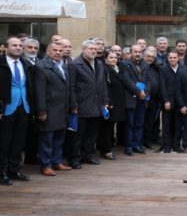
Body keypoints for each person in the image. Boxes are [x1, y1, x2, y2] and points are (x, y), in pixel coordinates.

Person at [68, 39, 110, 168]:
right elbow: (71, 87)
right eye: (90, 49)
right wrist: (73, 105)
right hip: (81, 105)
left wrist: (105, 102)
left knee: (92, 134)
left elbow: (102, 84)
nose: (93, 51)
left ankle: (87, 155)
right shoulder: (75, 64)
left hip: (97, 105)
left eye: (95, 49)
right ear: (83, 49)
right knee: (77, 135)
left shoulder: (99, 64)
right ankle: (74, 158)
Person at [33, 41, 72, 176]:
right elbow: (39, 91)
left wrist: (71, 106)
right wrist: (41, 110)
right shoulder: (41, 67)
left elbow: (68, 88)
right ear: (47, 51)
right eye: (55, 50)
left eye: (60, 50)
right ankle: (46, 165)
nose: (58, 53)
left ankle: (57, 161)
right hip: (49, 109)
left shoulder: (64, 66)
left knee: (59, 138)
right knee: (46, 139)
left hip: (62, 108)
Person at [0, 37, 33, 185]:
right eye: (14, 45)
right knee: (3, 142)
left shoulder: (25, 64)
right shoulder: (1, 64)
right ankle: (2, 173)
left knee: (18, 142)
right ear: (5, 48)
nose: (19, 47)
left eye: (20, 45)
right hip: (5, 108)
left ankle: (15, 170)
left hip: (23, 107)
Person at [101, 49, 138, 159]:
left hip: (119, 102)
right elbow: (104, 87)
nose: (113, 59)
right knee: (107, 128)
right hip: (110, 103)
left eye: (115, 58)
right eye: (111, 57)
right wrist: (108, 101)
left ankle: (109, 147)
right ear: (105, 59)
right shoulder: (104, 70)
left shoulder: (118, 68)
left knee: (113, 126)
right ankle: (106, 150)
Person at [120, 44, 149, 155]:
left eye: (140, 52)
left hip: (142, 99)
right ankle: (128, 146)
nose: (138, 54)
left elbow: (148, 81)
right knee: (129, 124)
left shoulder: (145, 65)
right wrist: (138, 92)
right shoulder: (124, 64)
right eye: (135, 52)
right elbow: (126, 80)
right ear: (131, 53)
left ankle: (137, 144)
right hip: (130, 98)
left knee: (139, 123)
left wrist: (145, 92)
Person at [160, 52, 183, 153]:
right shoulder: (163, 69)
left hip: (180, 102)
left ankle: (176, 145)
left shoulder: (183, 69)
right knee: (167, 124)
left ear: (178, 58)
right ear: (168, 59)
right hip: (168, 101)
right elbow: (162, 86)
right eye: (170, 57)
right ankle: (167, 145)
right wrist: (166, 100)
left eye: (175, 57)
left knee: (178, 125)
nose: (173, 59)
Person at [142, 46, 162, 149]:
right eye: (148, 56)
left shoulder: (155, 68)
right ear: (143, 56)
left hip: (154, 99)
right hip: (144, 98)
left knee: (151, 121)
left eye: (152, 57)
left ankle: (148, 140)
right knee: (143, 121)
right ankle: (143, 141)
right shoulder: (141, 66)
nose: (150, 58)